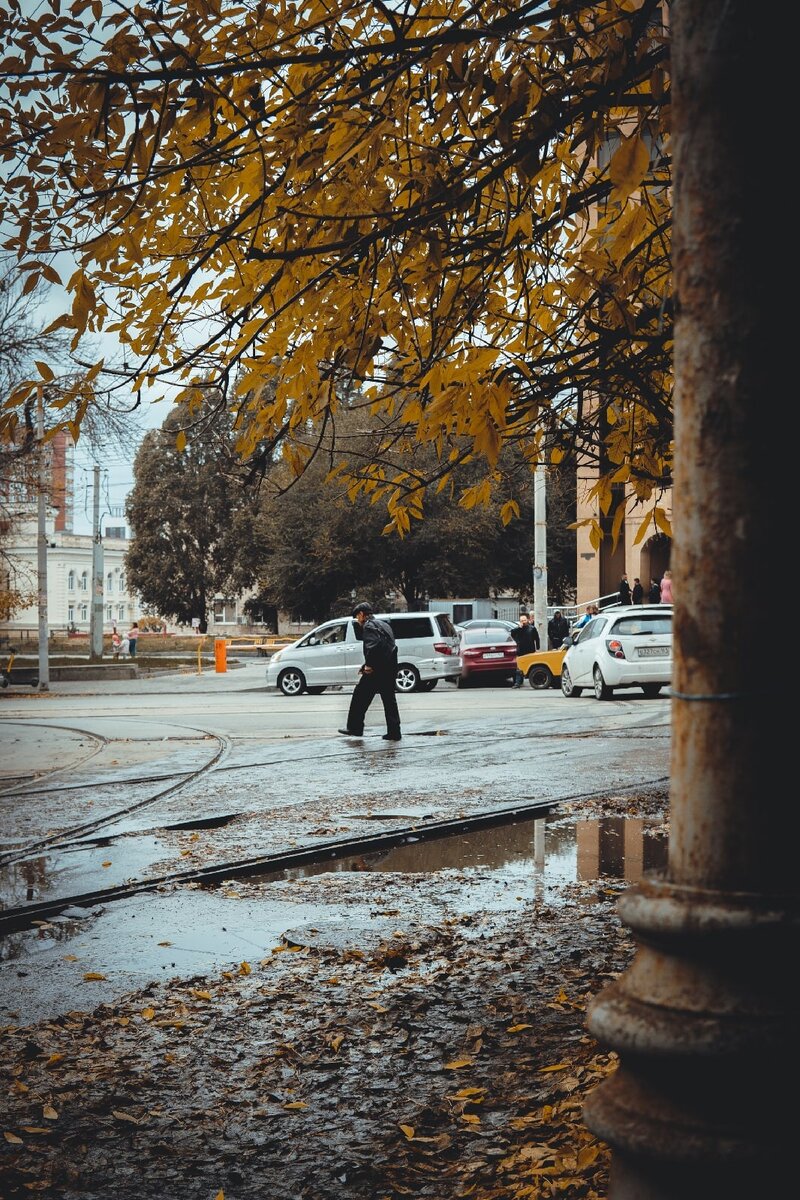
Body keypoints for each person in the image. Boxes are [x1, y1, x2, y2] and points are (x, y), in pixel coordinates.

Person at [339, 602, 401, 740]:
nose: (358, 621)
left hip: (376, 671)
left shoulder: (368, 626)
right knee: (389, 700)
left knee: (359, 696)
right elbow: (387, 646)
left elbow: (373, 646)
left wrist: (369, 665)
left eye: (357, 617)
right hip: (389, 668)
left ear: (361, 614)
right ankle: (394, 731)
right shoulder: (384, 624)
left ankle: (355, 728)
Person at [510, 612, 540, 687]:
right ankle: (518, 683)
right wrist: (518, 628)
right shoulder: (518, 629)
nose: (523, 622)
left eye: (524, 620)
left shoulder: (532, 628)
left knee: (531, 666)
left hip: (530, 650)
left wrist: (538, 647)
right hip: (521, 651)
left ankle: (534, 681)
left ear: (527, 620)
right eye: (522, 620)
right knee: (519, 667)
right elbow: (512, 634)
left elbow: (537, 638)